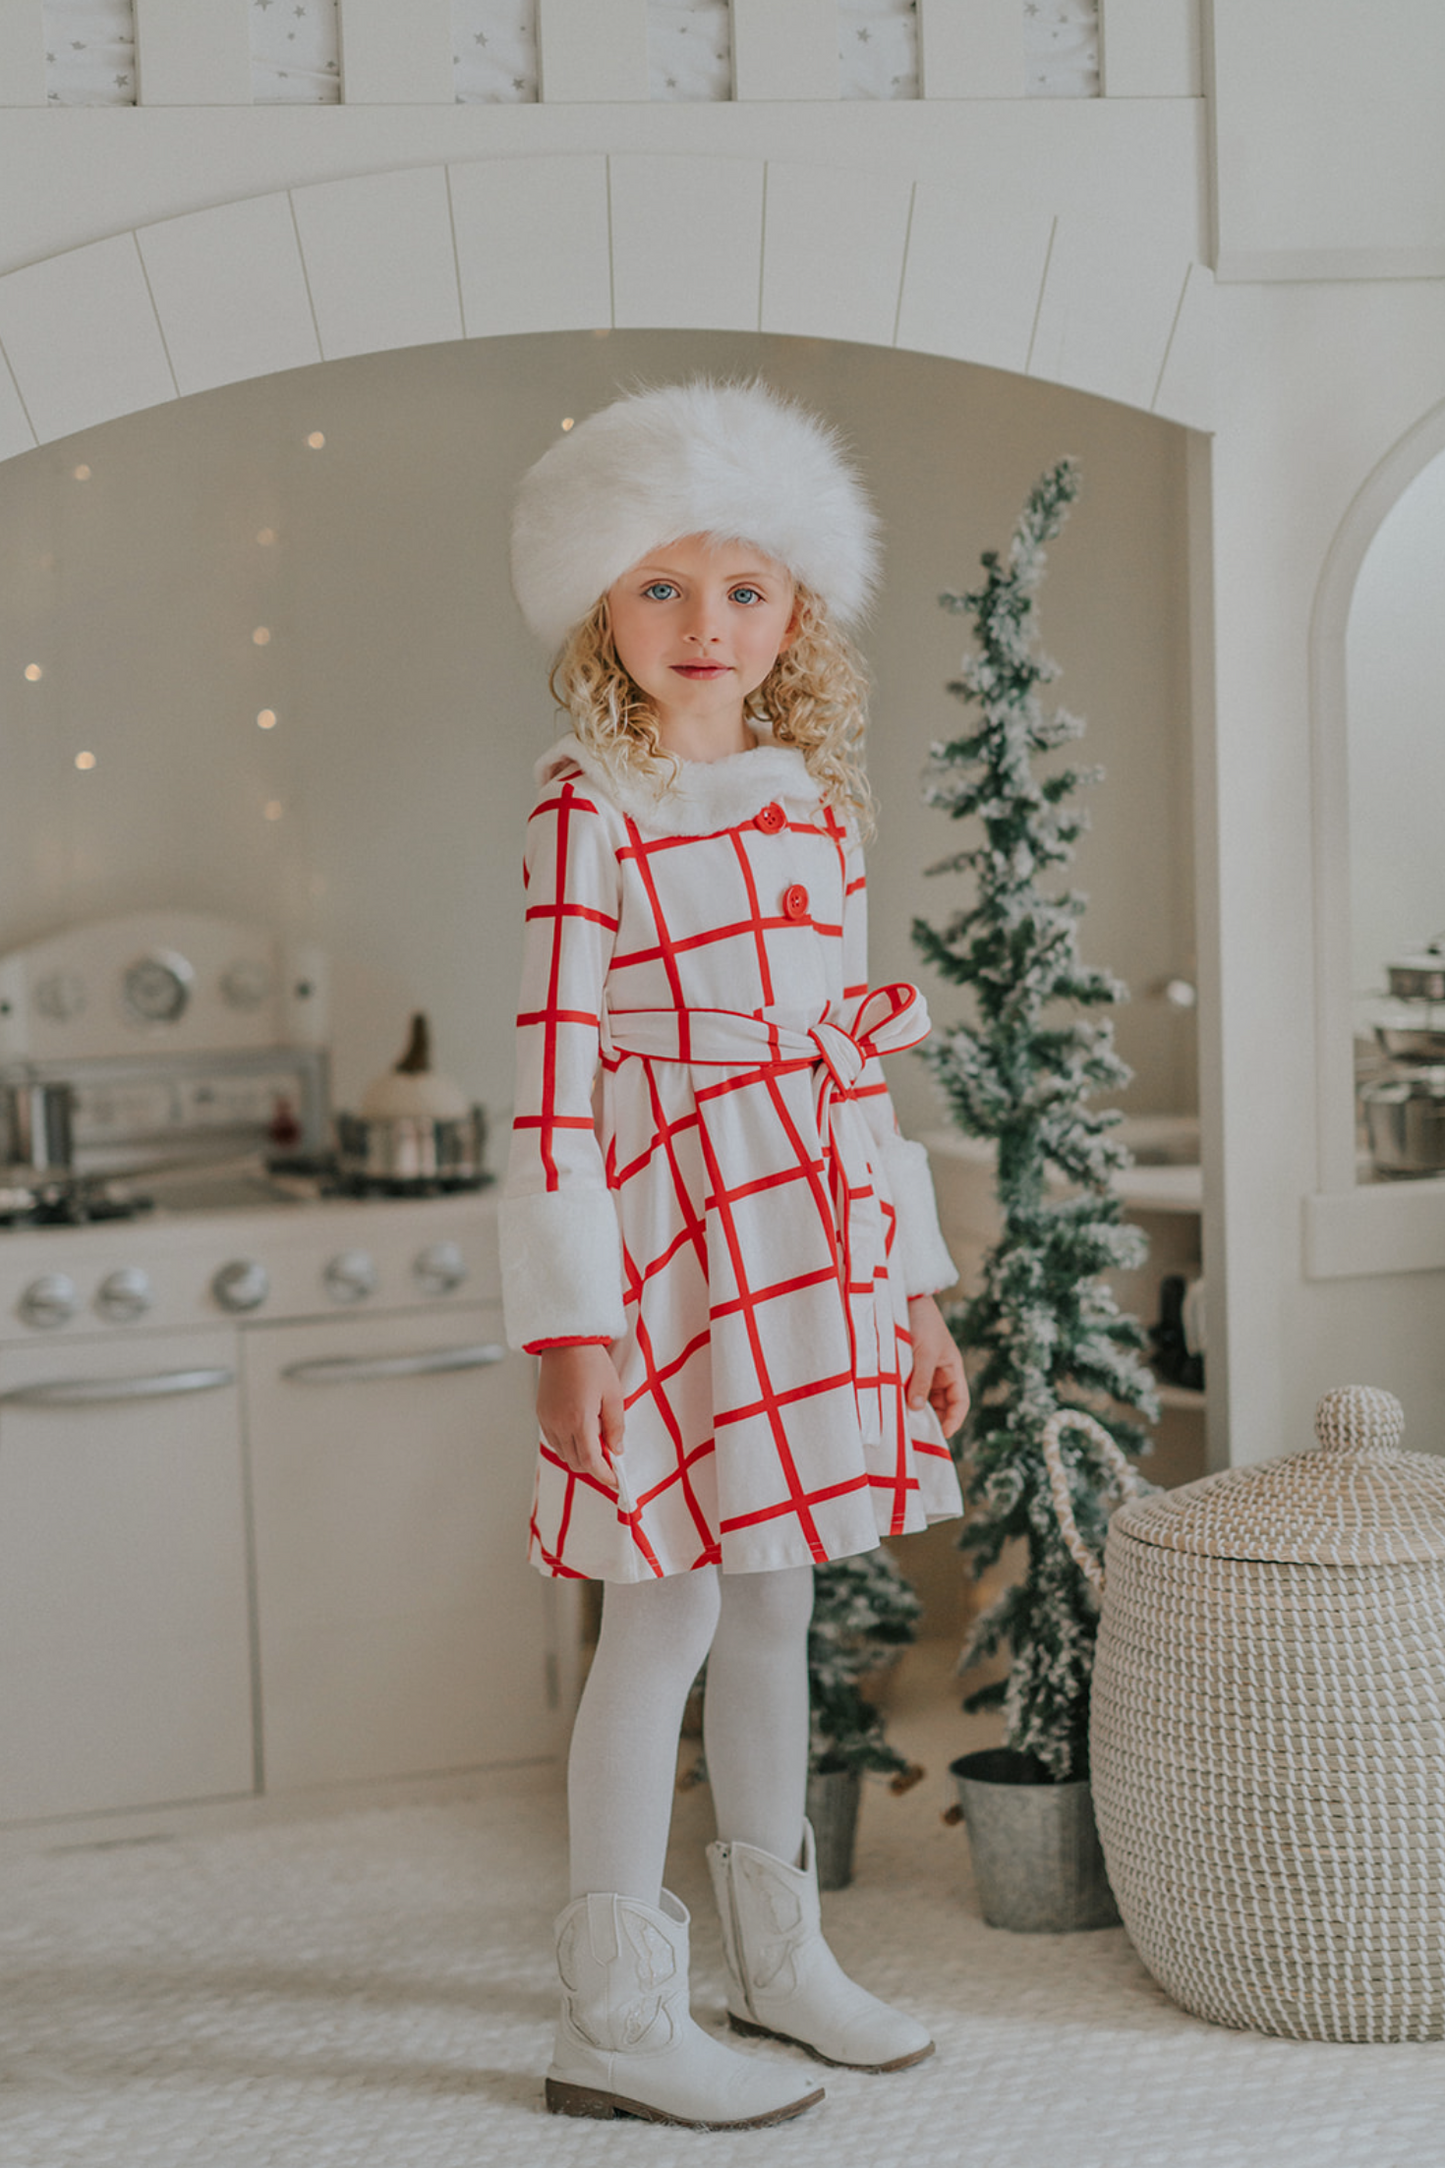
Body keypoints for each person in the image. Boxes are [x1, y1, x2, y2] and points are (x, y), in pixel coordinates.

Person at [501, 379, 967, 2130]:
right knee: (667, 1607)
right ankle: (612, 2018)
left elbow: (850, 1068)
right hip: (666, 1245)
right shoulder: (583, 806)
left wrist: (912, 1287)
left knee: (785, 1595)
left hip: (815, 1239)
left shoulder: (811, 807)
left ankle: (781, 1960)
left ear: (797, 611)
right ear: (601, 606)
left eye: (747, 590)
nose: (709, 628)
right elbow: (550, 1091)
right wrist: (570, 1322)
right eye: (664, 588)